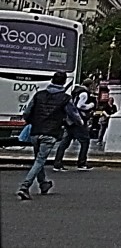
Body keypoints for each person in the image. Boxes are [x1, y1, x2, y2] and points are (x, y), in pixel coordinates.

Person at [15, 70, 82, 200]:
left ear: (52, 80)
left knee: (38, 160)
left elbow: (27, 113)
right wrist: (80, 123)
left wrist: (32, 122)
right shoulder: (65, 98)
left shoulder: (39, 95)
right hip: (50, 132)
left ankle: (43, 184)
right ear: (63, 82)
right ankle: (25, 186)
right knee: (40, 160)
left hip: (35, 131)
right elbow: (74, 115)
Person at [52, 81, 96, 171]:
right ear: (90, 85)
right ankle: (82, 163)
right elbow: (79, 106)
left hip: (70, 120)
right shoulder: (84, 93)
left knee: (65, 142)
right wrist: (90, 105)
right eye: (93, 86)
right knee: (85, 141)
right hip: (77, 120)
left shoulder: (75, 91)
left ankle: (57, 163)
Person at [91, 85, 118, 152]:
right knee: (102, 130)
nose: (111, 101)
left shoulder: (114, 106)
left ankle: (104, 139)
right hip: (104, 119)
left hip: (110, 119)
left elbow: (115, 111)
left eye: (112, 100)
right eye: (110, 100)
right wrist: (107, 115)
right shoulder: (105, 105)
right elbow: (103, 111)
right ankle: (99, 140)